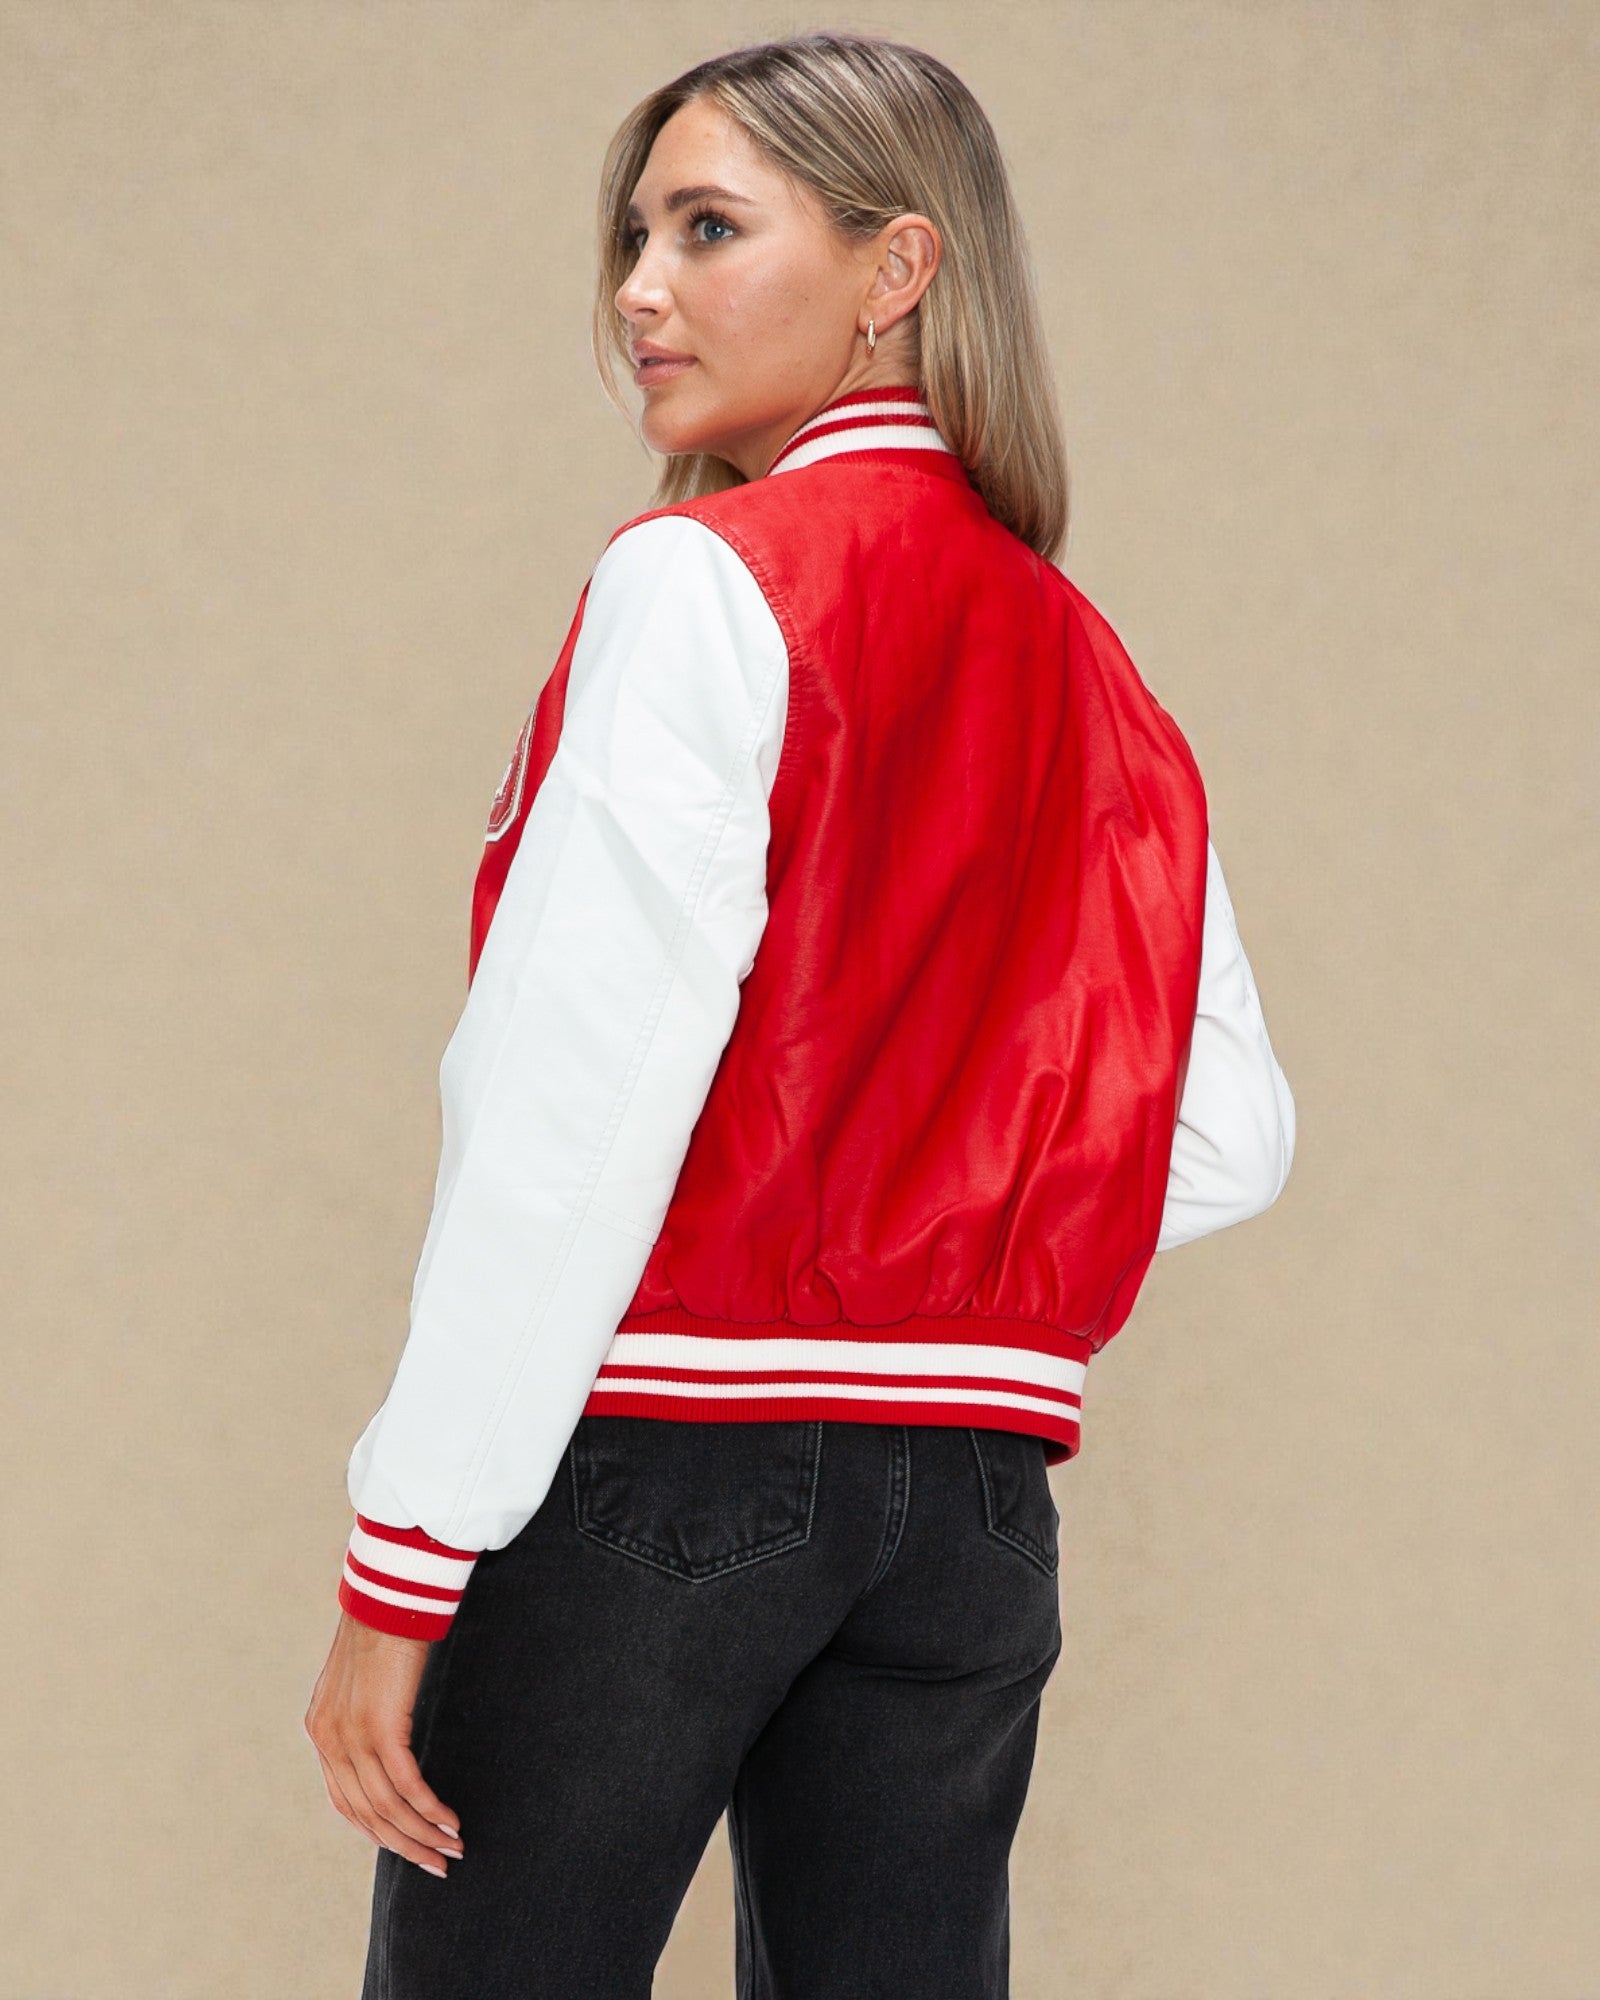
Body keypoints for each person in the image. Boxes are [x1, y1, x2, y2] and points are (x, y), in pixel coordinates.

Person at [303, 30, 1296, 2000]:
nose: (636, 290)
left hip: (674, 1462)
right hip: (972, 1510)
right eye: (632, 236)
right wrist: (938, 1241)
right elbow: (1224, 1133)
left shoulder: (703, 581)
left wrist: (401, 1560)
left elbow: (568, 1109)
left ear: (894, 268)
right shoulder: (1085, 660)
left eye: (705, 229)